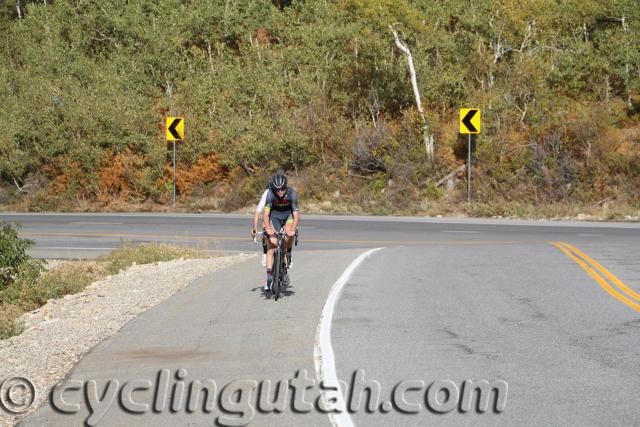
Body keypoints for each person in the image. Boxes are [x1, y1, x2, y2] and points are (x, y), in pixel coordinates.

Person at [263, 173, 300, 291]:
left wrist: (293, 229)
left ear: (286, 187)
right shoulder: (270, 193)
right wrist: (268, 228)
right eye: (277, 189)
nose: (280, 192)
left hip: (288, 216)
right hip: (275, 217)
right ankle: (270, 275)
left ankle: (288, 253)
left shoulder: (292, 193)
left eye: (282, 189)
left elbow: (296, 215)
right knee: (273, 243)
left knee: (288, 234)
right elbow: (266, 214)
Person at [252, 188, 269, 266]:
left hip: (281, 211)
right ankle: (265, 252)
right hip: (269, 212)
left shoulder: (283, 192)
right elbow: (257, 212)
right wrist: (255, 228)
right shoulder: (267, 193)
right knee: (265, 227)